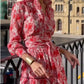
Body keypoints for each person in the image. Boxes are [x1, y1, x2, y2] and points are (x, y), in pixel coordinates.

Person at [7, 0, 80, 84]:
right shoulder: (21, 6)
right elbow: (13, 43)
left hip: (55, 65)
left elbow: (46, 41)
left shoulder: (49, 9)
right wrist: (31, 62)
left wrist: (64, 51)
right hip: (36, 65)